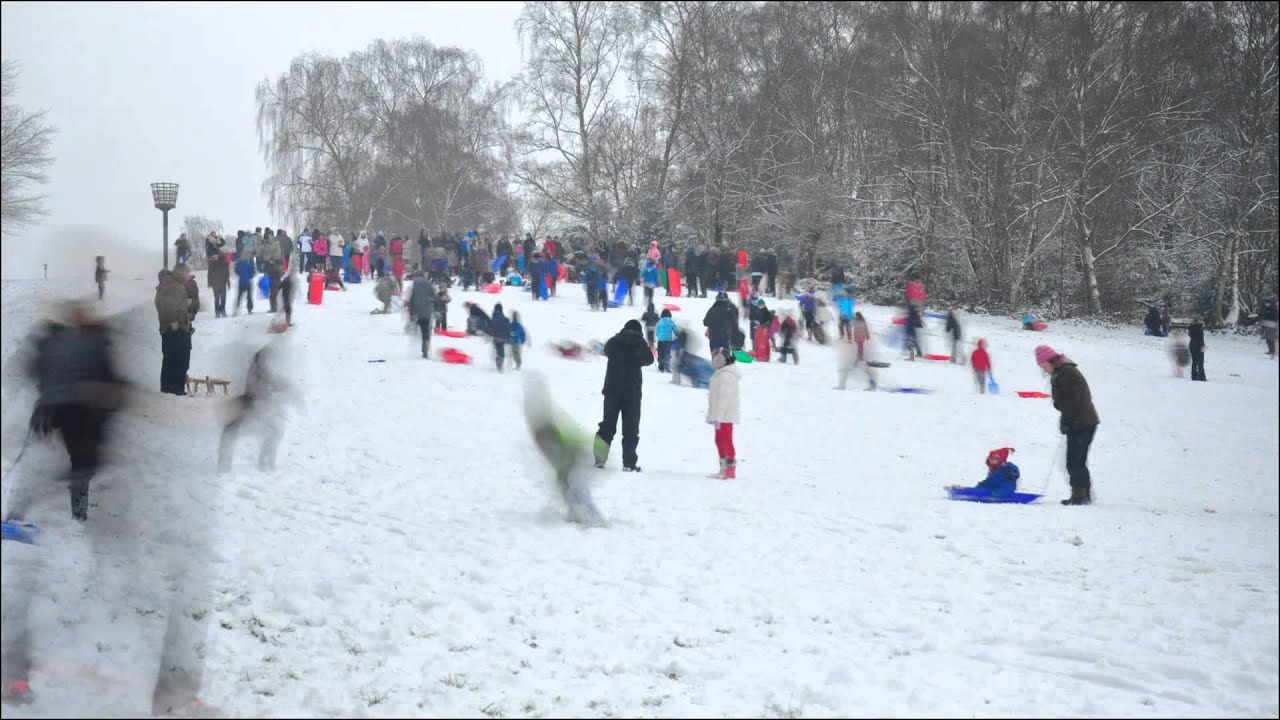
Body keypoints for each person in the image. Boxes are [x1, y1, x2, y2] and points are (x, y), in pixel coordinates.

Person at [1036, 345, 1100, 506]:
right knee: (1077, 459)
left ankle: (1080, 496)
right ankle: (1083, 494)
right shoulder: (1060, 373)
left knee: (1075, 460)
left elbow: (1074, 401)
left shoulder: (1067, 373)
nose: (1045, 370)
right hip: (1079, 421)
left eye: (1044, 366)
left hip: (1082, 422)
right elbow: (1063, 401)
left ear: (1050, 361)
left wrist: (1066, 420)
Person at [593, 319, 654, 471]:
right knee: (631, 429)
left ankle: (599, 459)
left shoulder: (614, 341)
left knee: (607, 425)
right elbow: (649, 360)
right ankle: (629, 463)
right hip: (631, 392)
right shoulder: (639, 343)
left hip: (612, 390)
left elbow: (606, 350)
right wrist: (640, 345)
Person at [705, 347, 741, 479]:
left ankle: (730, 469)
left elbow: (724, 397)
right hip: (720, 415)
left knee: (726, 440)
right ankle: (723, 467)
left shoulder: (726, 376)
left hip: (725, 416)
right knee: (719, 440)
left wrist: (718, 416)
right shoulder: (720, 373)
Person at [156, 269, 193, 395]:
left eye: (170, 278)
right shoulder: (162, 293)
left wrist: (186, 321)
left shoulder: (174, 291)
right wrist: (175, 322)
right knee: (173, 360)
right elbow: (166, 311)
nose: (169, 280)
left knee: (181, 360)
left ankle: (174, 387)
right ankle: (172, 388)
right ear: (161, 280)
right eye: (166, 278)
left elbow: (181, 307)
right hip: (171, 330)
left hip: (181, 329)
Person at [950, 448, 1021, 500]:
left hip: (1005, 487)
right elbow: (988, 482)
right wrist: (978, 488)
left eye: (995, 459)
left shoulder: (1006, 466)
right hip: (993, 488)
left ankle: (998, 495)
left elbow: (1015, 471)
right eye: (991, 458)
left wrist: (1012, 472)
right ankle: (963, 491)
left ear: (1001, 459)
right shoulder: (993, 470)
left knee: (1004, 487)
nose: (992, 460)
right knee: (983, 487)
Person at [408, 274, 436, 359]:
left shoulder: (415, 288)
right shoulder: (430, 286)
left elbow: (411, 302)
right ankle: (425, 350)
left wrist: (412, 314)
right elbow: (435, 297)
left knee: (422, 329)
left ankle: (423, 347)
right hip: (427, 312)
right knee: (426, 332)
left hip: (418, 313)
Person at [489, 303, 511, 372]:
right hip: (502, 338)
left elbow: (490, 327)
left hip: (495, 338)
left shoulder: (493, 318)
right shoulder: (505, 319)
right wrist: (508, 337)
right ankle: (499, 365)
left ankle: (498, 363)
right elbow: (508, 328)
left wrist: (491, 334)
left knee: (498, 350)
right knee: (501, 352)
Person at [208, 251, 230, 318]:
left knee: (223, 298)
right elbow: (209, 273)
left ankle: (222, 310)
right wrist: (209, 282)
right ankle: (217, 311)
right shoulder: (211, 263)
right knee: (217, 298)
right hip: (215, 283)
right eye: (213, 257)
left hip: (223, 282)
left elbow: (227, 273)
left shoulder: (224, 263)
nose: (215, 257)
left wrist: (228, 282)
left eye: (216, 256)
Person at [1188, 316, 1206, 381]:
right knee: (1201, 362)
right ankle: (1202, 377)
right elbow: (1201, 339)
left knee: (1194, 362)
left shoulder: (1191, 328)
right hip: (1199, 346)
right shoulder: (1199, 328)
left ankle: (1194, 376)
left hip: (1192, 346)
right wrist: (1203, 347)